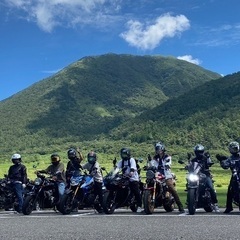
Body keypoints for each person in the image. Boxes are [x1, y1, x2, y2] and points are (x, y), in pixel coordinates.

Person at [152, 142, 185, 213]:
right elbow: (153, 164)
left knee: (171, 187)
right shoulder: (155, 158)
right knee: (149, 182)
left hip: (166, 175)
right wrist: (150, 167)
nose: (158, 151)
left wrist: (167, 165)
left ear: (163, 149)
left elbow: (168, 163)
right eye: (157, 149)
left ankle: (180, 205)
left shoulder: (167, 157)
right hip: (157, 175)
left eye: (159, 149)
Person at [188, 144, 220, 212]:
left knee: (210, 187)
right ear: (195, 152)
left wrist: (209, 162)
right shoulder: (193, 160)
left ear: (203, 151)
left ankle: (215, 204)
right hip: (196, 175)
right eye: (197, 152)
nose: (199, 153)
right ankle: (190, 202)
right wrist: (187, 167)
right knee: (188, 184)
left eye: (200, 151)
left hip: (206, 175)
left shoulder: (206, 158)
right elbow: (190, 166)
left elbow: (209, 162)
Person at [116, 148, 143, 213]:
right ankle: (117, 202)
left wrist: (130, 174)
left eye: (125, 154)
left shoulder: (131, 160)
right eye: (123, 154)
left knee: (135, 190)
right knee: (118, 186)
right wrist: (113, 173)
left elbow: (132, 168)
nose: (124, 156)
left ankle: (140, 205)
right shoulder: (121, 161)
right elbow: (116, 168)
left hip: (133, 178)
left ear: (128, 154)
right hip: (124, 177)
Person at [216, 141, 240, 213]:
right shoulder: (230, 158)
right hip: (235, 175)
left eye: (235, 148)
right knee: (230, 190)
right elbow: (225, 166)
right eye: (233, 149)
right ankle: (229, 207)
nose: (234, 150)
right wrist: (221, 160)